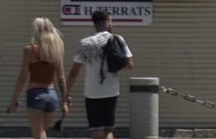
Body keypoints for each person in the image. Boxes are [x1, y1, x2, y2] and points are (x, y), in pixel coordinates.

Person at [66, 10, 133, 139]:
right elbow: (130, 64)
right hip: (112, 91)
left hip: (92, 92)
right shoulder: (117, 39)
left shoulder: (85, 43)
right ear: (107, 22)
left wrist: (66, 93)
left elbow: (74, 72)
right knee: (108, 130)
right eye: (111, 20)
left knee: (96, 128)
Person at [8, 17, 69, 139]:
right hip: (52, 97)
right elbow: (61, 79)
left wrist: (13, 100)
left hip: (35, 96)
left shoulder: (30, 50)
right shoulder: (56, 52)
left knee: (39, 134)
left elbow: (22, 77)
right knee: (42, 132)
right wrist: (64, 102)